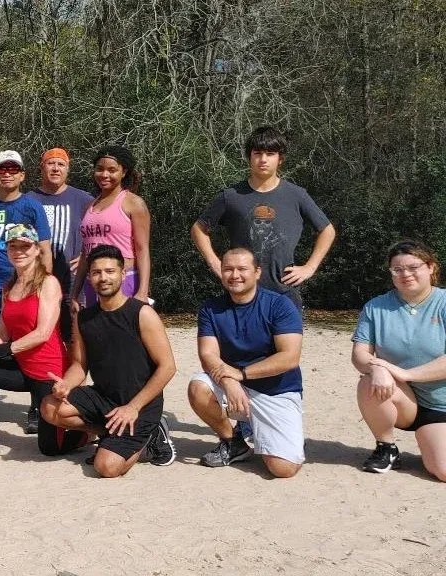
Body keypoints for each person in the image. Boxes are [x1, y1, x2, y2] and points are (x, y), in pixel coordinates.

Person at [41, 244, 177, 477]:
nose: (103, 277)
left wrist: (133, 407)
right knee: (50, 408)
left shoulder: (141, 313)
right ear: (90, 278)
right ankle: (109, 432)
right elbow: (79, 365)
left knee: (106, 467)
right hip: (104, 398)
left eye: (110, 271)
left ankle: (151, 436)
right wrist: (66, 384)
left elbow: (168, 367)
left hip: (141, 403)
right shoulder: (84, 318)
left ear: (122, 274)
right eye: (96, 272)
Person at [0, 224, 86, 460]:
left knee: (49, 448)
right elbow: (2, 334)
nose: (19, 251)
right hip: (21, 367)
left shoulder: (48, 283)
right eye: (13, 246)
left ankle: (91, 430)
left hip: (48, 372)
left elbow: (42, 333)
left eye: (25, 246)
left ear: (37, 249)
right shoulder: (8, 287)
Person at [187, 247, 305, 478]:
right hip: (233, 383)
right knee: (198, 388)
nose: (235, 275)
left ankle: (258, 427)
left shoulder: (279, 305)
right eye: (228, 269)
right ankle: (233, 442)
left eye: (242, 269)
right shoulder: (211, 308)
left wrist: (240, 374)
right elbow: (208, 355)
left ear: (257, 272)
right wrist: (230, 382)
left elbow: (289, 357)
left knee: (283, 469)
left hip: (276, 390)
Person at [190, 126, 336, 311]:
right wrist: (215, 263)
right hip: (240, 294)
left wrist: (310, 267)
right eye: (257, 153)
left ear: (280, 159)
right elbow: (199, 229)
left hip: (284, 293)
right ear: (249, 157)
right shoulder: (231, 196)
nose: (263, 159)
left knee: (286, 341)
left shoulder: (296, 195)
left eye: (270, 153)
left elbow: (327, 230)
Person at [0, 150, 51, 434]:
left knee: (35, 348)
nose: (7, 173)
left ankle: (38, 410)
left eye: (13, 168)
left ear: (22, 174)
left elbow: (45, 249)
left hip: (30, 292)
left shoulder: (31, 206)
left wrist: (48, 286)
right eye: (1, 168)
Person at [352, 240, 446, 480]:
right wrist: (376, 367)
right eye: (398, 269)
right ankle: (386, 447)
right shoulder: (375, 307)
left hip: (441, 405)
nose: (406, 274)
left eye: (414, 267)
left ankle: (432, 444)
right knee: (368, 381)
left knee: (442, 470)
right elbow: (360, 354)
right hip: (404, 400)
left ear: (431, 267)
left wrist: (406, 373)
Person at [71, 145, 151, 310]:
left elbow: (142, 250)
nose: (105, 175)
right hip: (93, 283)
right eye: (100, 169)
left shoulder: (133, 203)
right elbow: (86, 254)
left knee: (123, 333)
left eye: (112, 170)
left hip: (123, 281)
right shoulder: (90, 206)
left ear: (124, 172)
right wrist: (75, 293)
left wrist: (142, 291)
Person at [30, 147, 93, 343]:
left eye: (61, 164)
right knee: (41, 329)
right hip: (36, 277)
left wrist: (87, 255)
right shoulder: (29, 199)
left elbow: (99, 231)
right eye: (51, 163)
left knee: (73, 333)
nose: (56, 168)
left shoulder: (84, 200)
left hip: (72, 279)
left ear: (67, 169)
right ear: (42, 168)